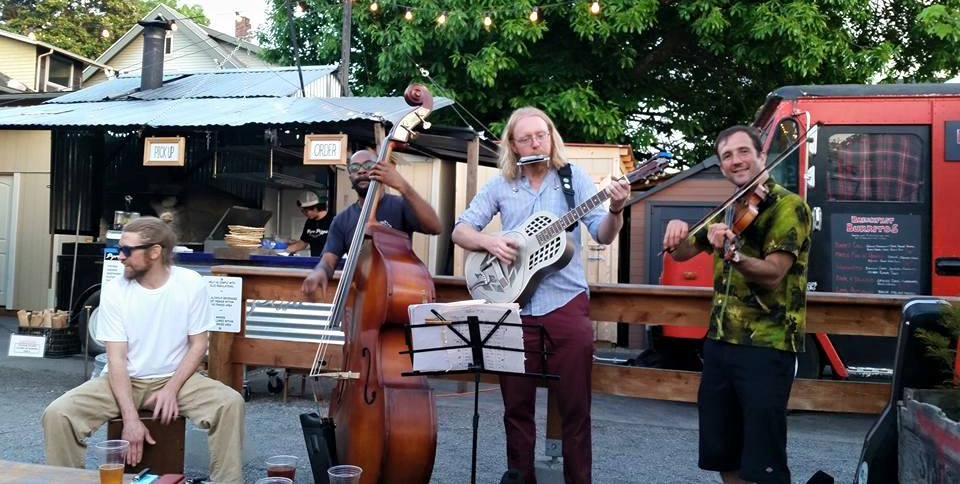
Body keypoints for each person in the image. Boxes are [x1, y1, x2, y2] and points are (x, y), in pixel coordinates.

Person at [451, 107, 631, 484]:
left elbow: (602, 233)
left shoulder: (571, 179)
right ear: (513, 147)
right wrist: (490, 241)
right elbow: (461, 230)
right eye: (526, 138)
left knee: (575, 408)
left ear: (551, 137)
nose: (536, 142)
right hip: (513, 307)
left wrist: (616, 207)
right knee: (516, 408)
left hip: (566, 303)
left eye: (542, 135)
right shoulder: (501, 185)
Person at [42, 217, 245, 483]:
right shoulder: (115, 291)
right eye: (118, 249)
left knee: (230, 404)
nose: (120, 257)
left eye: (126, 250)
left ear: (155, 251)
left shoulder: (190, 283)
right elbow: (116, 359)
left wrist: (171, 389)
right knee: (58, 414)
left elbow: (199, 345)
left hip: (176, 379)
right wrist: (131, 419)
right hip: (124, 379)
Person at [662, 125, 812, 484]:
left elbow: (774, 272)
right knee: (723, 451)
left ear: (762, 155)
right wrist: (676, 230)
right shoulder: (730, 208)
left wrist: (732, 254)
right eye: (726, 156)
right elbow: (684, 252)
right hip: (720, 344)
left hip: (767, 347)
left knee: (762, 461)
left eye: (743, 151)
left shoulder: (790, 207)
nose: (736, 161)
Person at [301, 149, 442, 296]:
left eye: (368, 165)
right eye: (354, 168)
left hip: (399, 292)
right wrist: (319, 272)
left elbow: (435, 227)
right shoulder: (342, 220)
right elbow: (328, 261)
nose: (361, 171)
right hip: (362, 296)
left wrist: (403, 186)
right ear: (350, 177)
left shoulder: (401, 206)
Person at [287, 190, 331, 256]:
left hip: (329, 263)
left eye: (306, 211)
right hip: (314, 262)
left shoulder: (333, 221)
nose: (304, 214)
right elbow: (302, 244)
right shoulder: (310, 222)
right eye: (302, 211)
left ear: (316, 208)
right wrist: (283, 251)